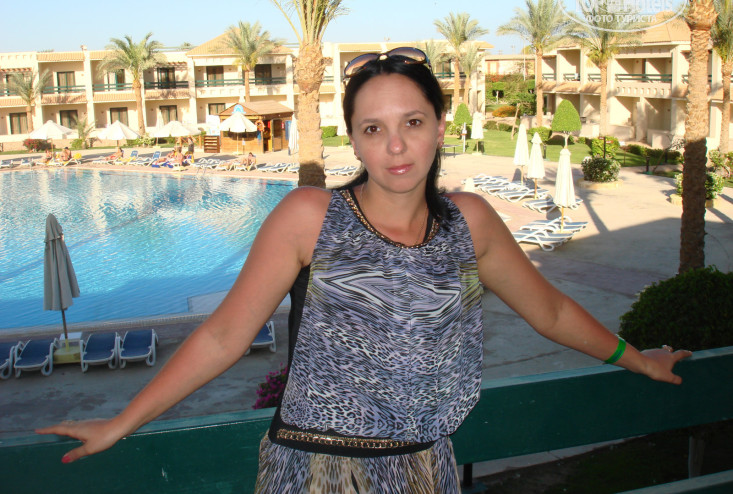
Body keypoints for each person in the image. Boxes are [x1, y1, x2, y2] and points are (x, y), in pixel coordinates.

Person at [38, 48, 690, 492]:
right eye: (372, 129)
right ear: (352, 138)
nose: (396, 145)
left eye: (412, 122)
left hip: (424, 472)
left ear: (440, 127)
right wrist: (122, 422)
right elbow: (223, 335)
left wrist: (637, 360)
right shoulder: (309, 216)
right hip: (316, 473)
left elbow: (549, 311)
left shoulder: (471, 222)